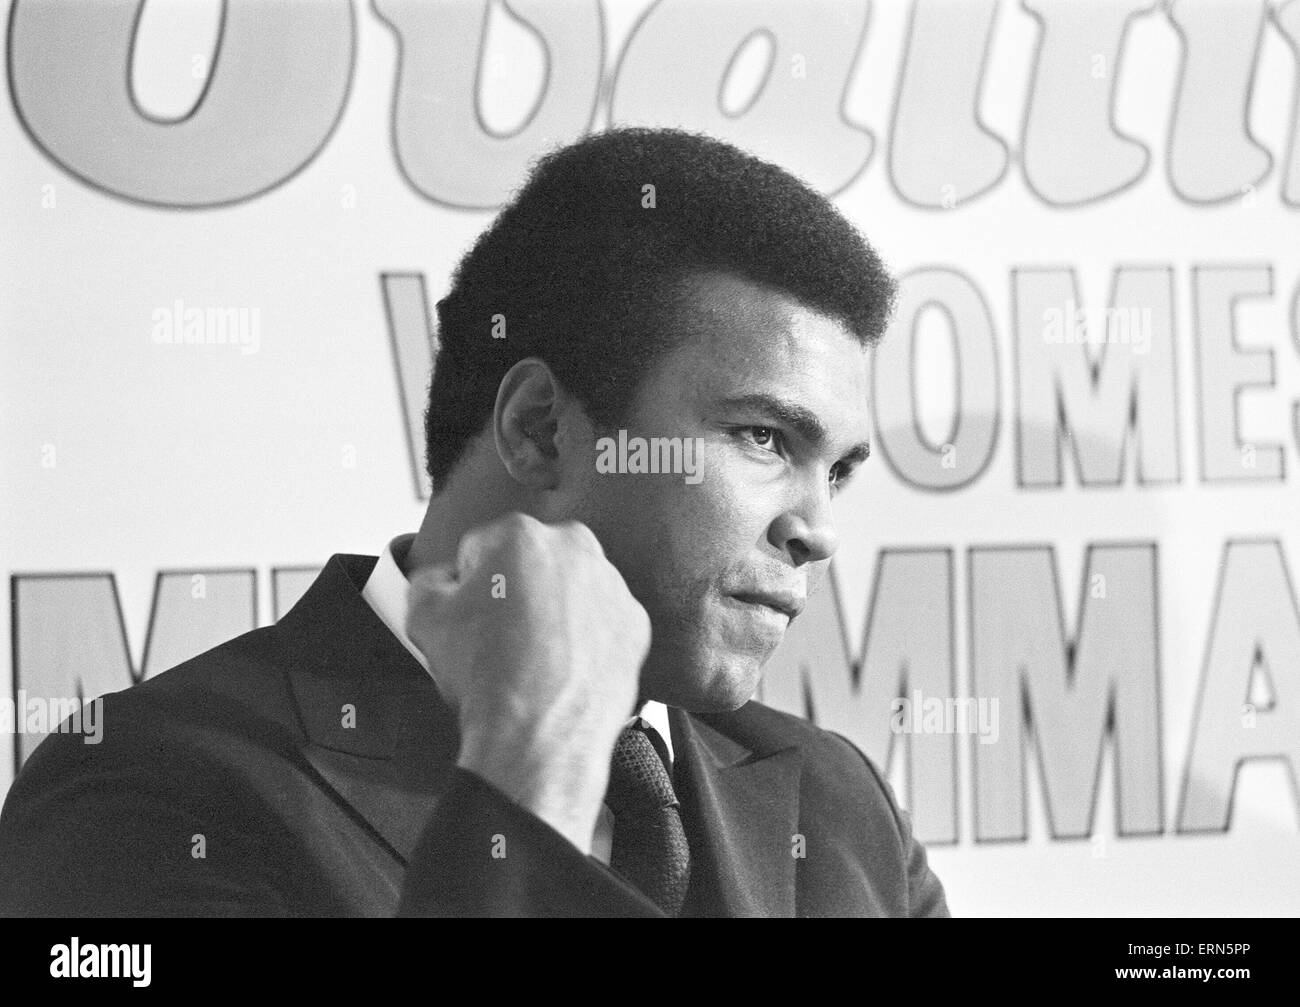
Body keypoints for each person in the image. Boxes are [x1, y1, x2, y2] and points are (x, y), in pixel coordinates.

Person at [0, 127, 949, 917]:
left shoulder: (840, 808)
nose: (817, 528)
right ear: (539, 427)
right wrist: (529, 779)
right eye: (764, 437)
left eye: (841, 471)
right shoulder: (147, 789)